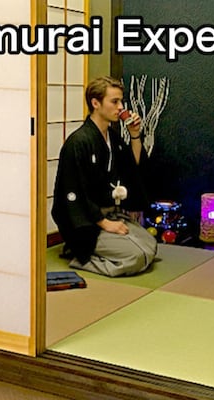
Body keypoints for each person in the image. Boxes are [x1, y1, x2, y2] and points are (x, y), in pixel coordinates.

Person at [51, 76, 157, 277]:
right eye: (114, 101)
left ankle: (86, 250)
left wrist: (135, 134)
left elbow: (131, 169)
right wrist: (104, 223)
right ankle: (80, 256)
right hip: (85, 222)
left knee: (150, 244)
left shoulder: (112, 138)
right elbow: (74, 192)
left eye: (121, 101)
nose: (121, 107)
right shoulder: (78, 142)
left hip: (110, 214)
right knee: (139, 255)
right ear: (95, 103)